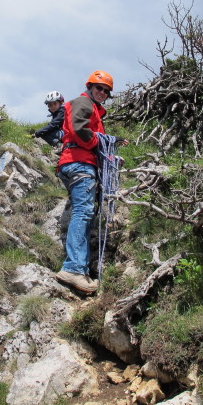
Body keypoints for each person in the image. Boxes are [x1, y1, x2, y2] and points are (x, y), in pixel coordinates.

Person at [54, 70, 126, 294]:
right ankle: (74, 268)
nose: (102, 92)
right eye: (99, 88)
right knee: (83, 212)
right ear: (90, 86)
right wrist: (102, 141)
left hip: (79, 164)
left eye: (106, 91)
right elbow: (79, 130)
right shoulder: (83, 103)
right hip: (79, 163)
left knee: (84, 213)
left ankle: (80, 269)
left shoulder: (93, 108)